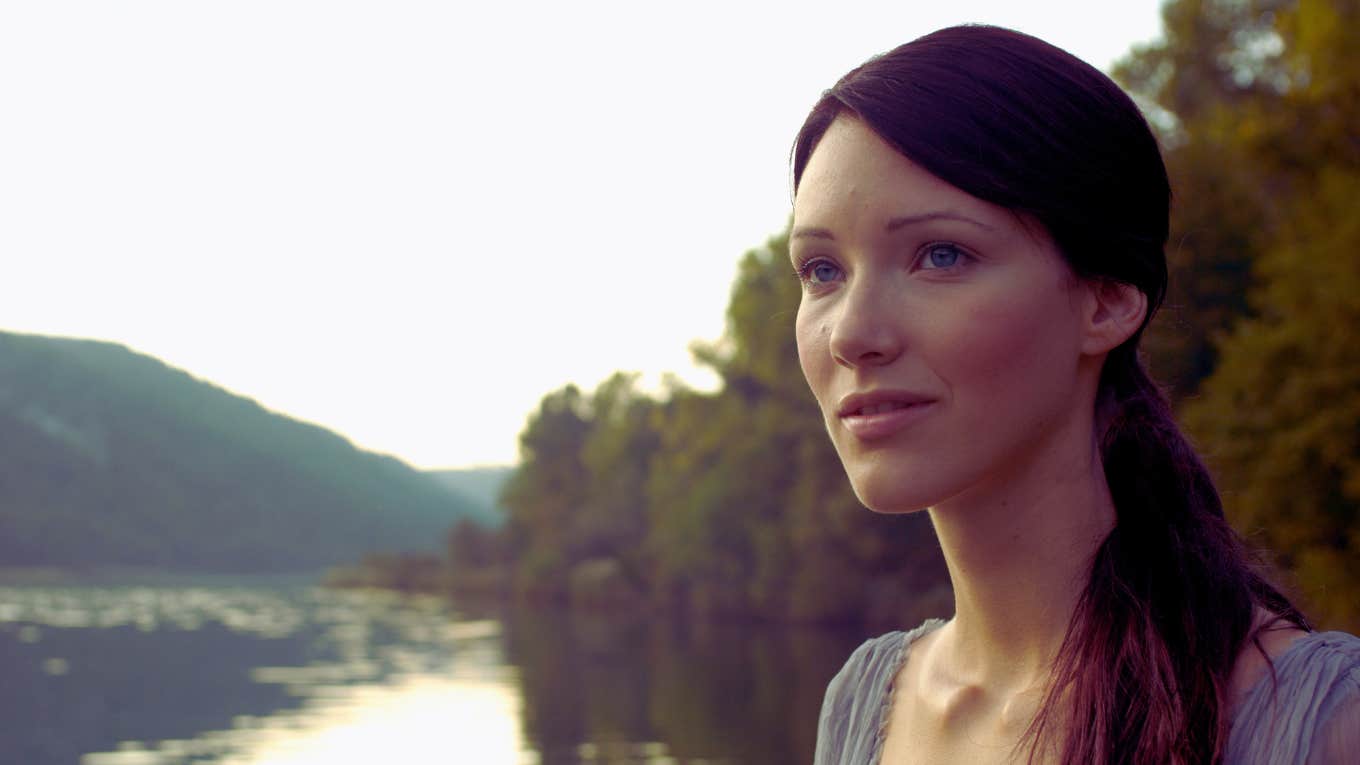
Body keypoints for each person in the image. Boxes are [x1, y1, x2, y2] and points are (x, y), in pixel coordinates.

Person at [790, 25, 1360, 765]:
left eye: (940, 254)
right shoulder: (863, 704)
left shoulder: (1320, 724)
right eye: (822, 271)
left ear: (1106, 300)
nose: (851, 334)